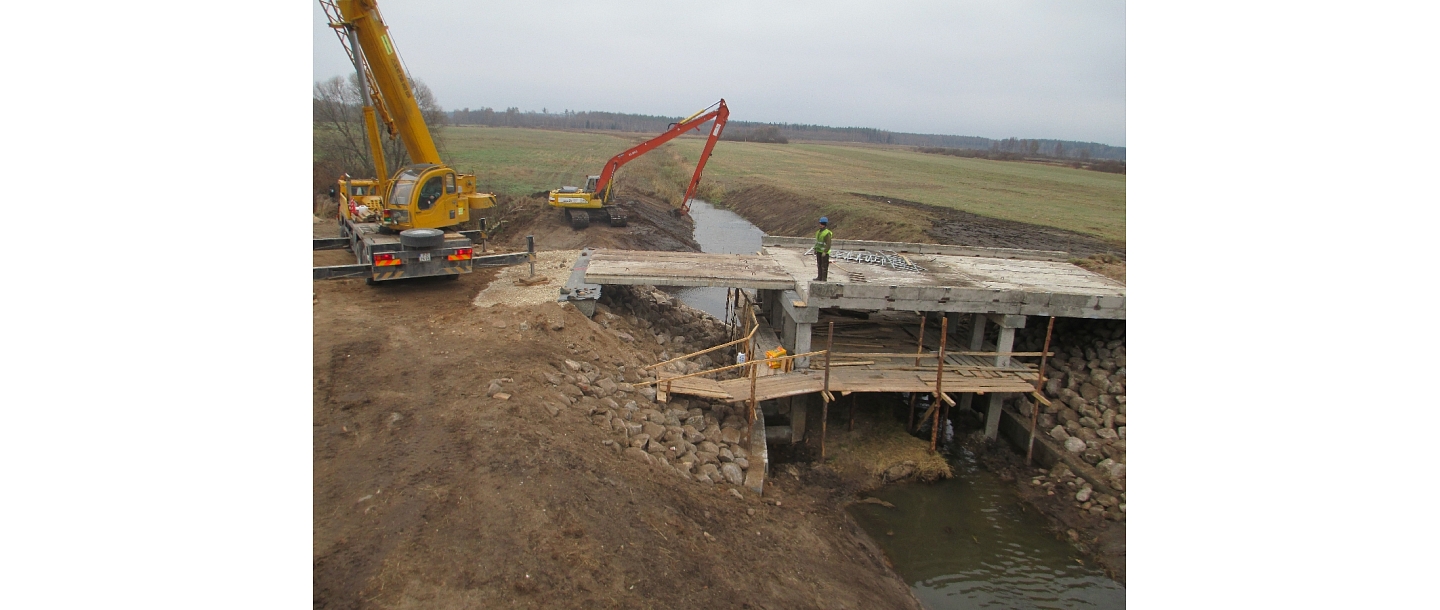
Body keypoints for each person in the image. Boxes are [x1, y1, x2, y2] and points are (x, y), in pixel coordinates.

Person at [814, 216, 833, 281]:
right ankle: (819, 277)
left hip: (824, 253)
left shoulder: (827, 233)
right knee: (819, 265)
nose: (820, 225)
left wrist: (825, 251)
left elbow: (828, 244)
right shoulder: (818, 232)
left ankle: (823, 279)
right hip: (819, 251)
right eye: (820, 223)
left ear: (824, 225)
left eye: (822, 224)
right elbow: (818, 241)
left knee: (824, 266)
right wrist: (815, 249)